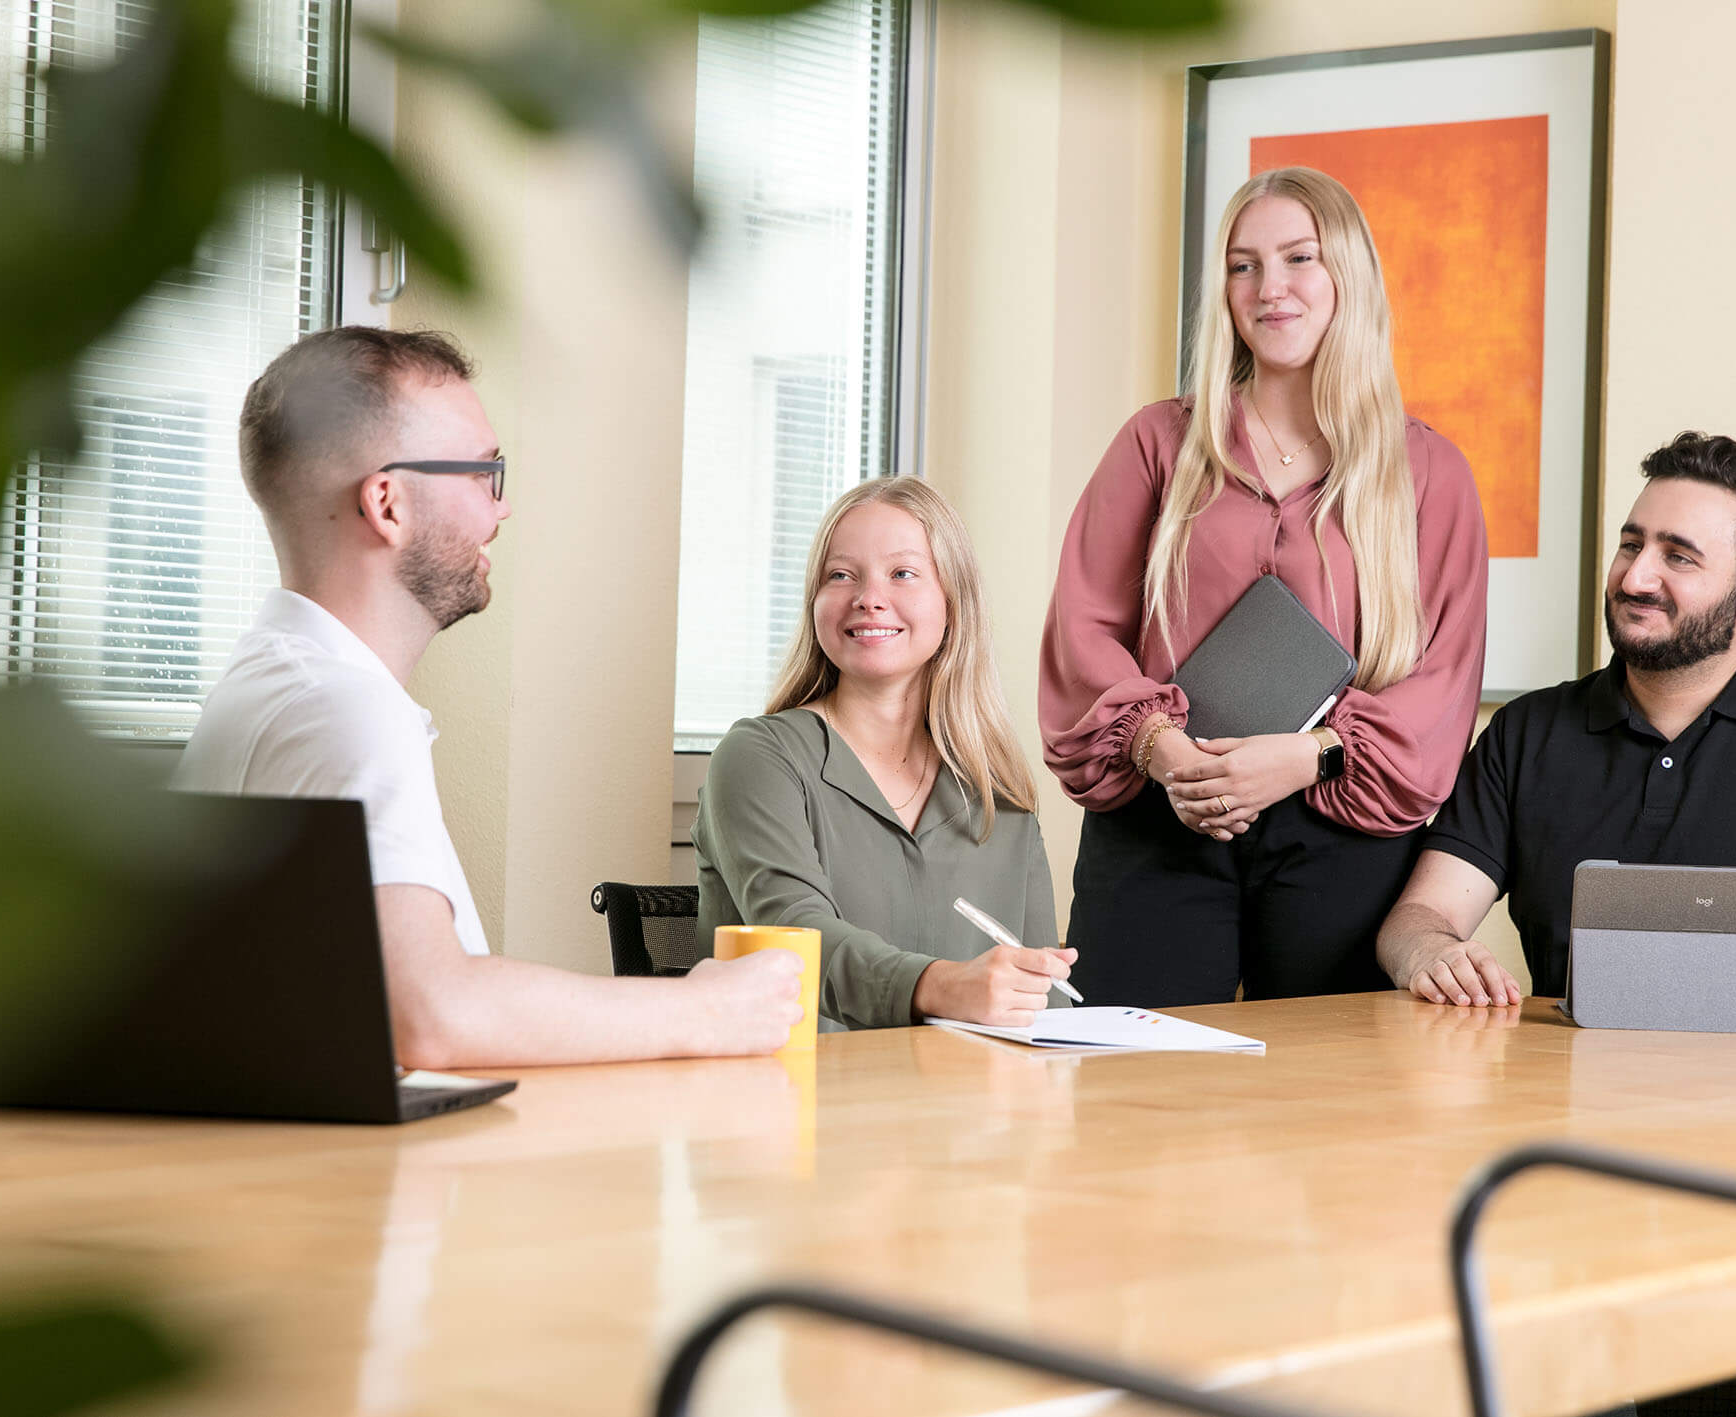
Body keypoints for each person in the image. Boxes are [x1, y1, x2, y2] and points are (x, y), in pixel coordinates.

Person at [174, 326, 802, 1068]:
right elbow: (431, 1015)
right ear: (388, 503)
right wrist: (705, 1008)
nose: (500, 510)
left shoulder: (271, 685)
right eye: (483, 473)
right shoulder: (347, 711)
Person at [1040, 166, 1489, 1006]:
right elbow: (1082, 627)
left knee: (1330, 1106)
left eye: (1298, 258)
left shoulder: (1428, 471)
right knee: (1131, 1098)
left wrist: (1305, 757)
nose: (1268, 288)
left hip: (1339, 826)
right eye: (1243, 265)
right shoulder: (1157, 445)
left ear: (1346, 275)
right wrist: (1165, 755)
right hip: (1162, 812)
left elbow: (1444, 680)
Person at [1377, 431, 1736, 1022]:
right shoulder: (1526, 731)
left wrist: (1693, 984)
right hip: (1560, 1095)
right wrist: (1430, 952)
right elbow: (1420, 918)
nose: (1634, 579)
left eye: (1678, 557)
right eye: (1631, 545)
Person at [693, 477, 1073, 1031]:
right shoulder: (757, 758)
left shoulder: (998, 794)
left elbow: (1046, 1006)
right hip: (786, 1101)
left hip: (962, 1108)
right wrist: (941, 986)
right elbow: (795, 943)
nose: (869, 597)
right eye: (841, 575)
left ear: (953, 601)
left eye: (903, 573)